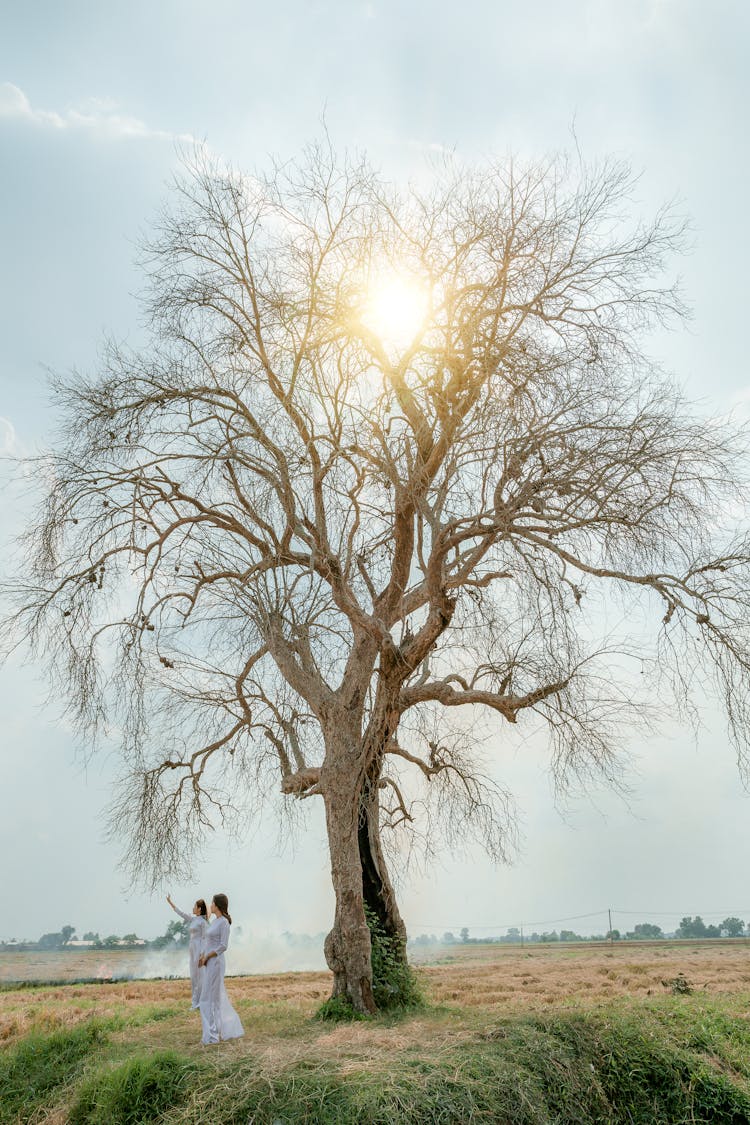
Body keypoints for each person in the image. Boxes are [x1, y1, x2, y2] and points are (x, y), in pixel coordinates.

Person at [198, 893, 244, 1045]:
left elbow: (223, 946)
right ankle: (216, 1032)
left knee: (209, 999)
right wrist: (203, 956)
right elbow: (209, 941)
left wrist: (207, 957)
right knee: (212, 998)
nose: (210, 905)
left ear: (217, 905)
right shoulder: (215, 921)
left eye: (212, 903)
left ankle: (212, 1036)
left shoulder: (224, 922)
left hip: (216, 963)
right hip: (209, 962)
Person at [166, 893, 208, 1009]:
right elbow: (181, 913)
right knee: (194, 976)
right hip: (192, 949)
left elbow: (205, 939)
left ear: (199, 909)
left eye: (195, 906)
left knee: (200, 977)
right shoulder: (194, 919)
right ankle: (195, 1002)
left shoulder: (203, 922)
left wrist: (202, 955)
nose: (193, 908)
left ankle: (200, 1002)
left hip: (199, 950)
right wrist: (170, 902)